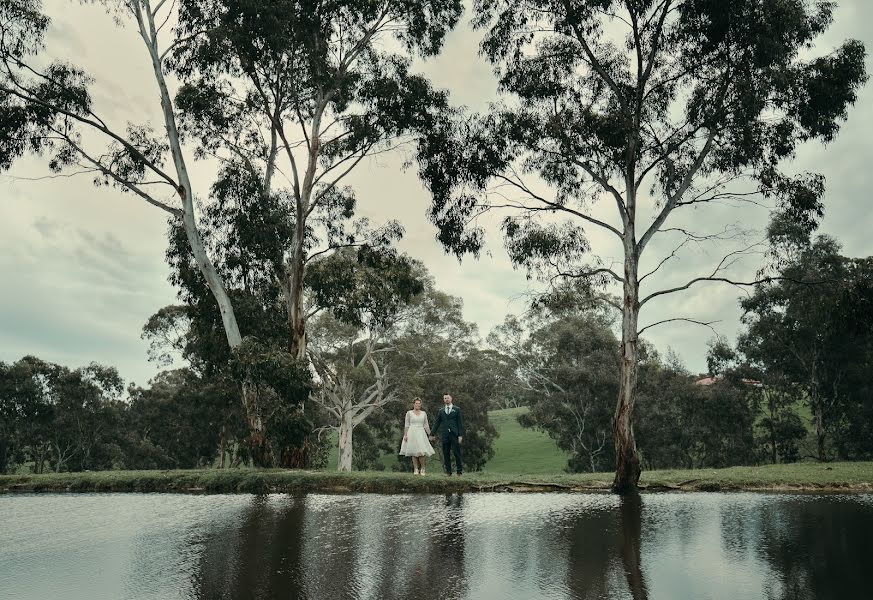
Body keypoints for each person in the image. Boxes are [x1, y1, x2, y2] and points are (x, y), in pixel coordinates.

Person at [429, 393, 464, 476]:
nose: (446, 399)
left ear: (451, 399)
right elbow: (437, 423)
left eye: (448, 398)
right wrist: (432, 434)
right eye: (445, 398)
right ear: (443, 400)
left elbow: (460, 423)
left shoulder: (457, 409)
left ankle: (459, 472)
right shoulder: (441, 411)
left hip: (454, 434)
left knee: (456, 452)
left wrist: (460, 435)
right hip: (445, 435)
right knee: (446, 453)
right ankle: (448, 472)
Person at [399, 398, 435, 475]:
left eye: (419, 403)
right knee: (413, 451)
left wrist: (430, 434)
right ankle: (415, 469)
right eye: (416, 403)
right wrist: (405, 435)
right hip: (412, 432)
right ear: (413, 404)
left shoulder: (423, 413)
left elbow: (426, 425)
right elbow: (407, 425)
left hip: (421, 433)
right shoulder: (409, 413)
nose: (418, 405)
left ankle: (423, 468)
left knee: (421, 452)